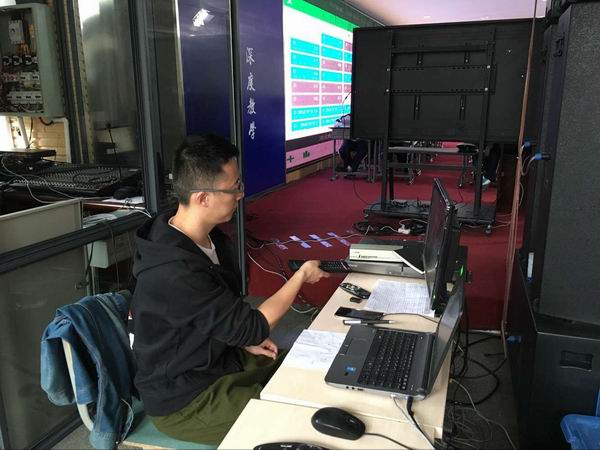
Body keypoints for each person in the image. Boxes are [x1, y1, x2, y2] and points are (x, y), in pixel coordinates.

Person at [131, 134, 329, 445]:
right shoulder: (174, 270)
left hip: (215, 360)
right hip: (185, 400)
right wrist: (301, 275)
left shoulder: (203, 236)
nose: (240, 194)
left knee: (303, 370)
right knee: (292, 417)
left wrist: (241, 340)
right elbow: (254, 326)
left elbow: (216, 316)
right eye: (234, 187)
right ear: (203, 198)